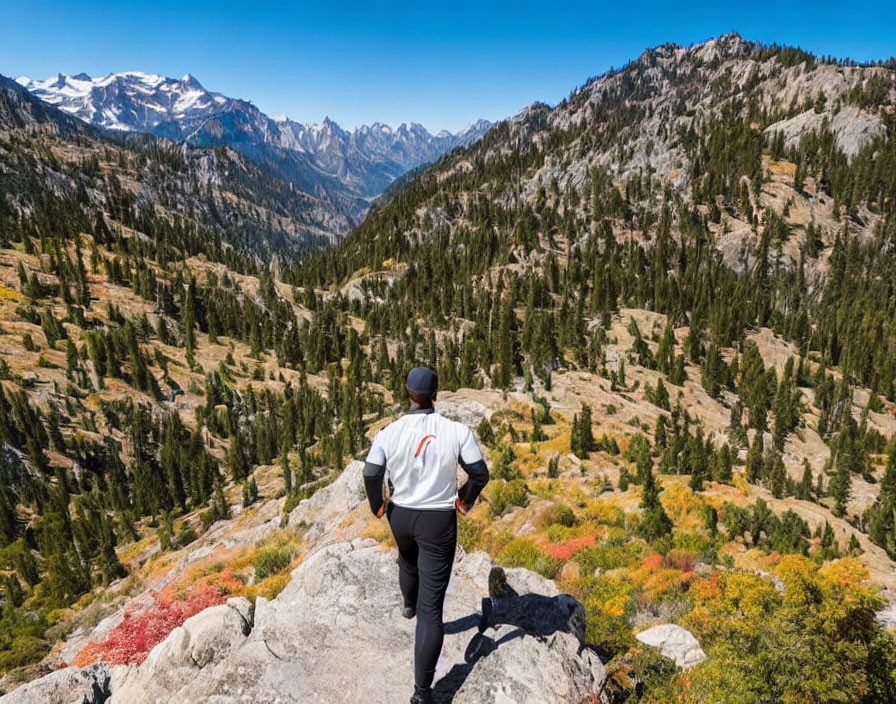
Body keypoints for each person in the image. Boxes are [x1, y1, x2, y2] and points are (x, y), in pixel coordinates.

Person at [363, 367, 490, 704]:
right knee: (431, 612)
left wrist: (378, 506)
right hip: (438, 521)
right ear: (436, 394)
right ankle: (422, 694)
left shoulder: (388, 433)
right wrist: (464, 500)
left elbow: (372, 472)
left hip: (401, 515)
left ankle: (407, 606)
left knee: (406, 557)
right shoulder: (456, 431)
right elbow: (480, 473)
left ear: (407, 393)